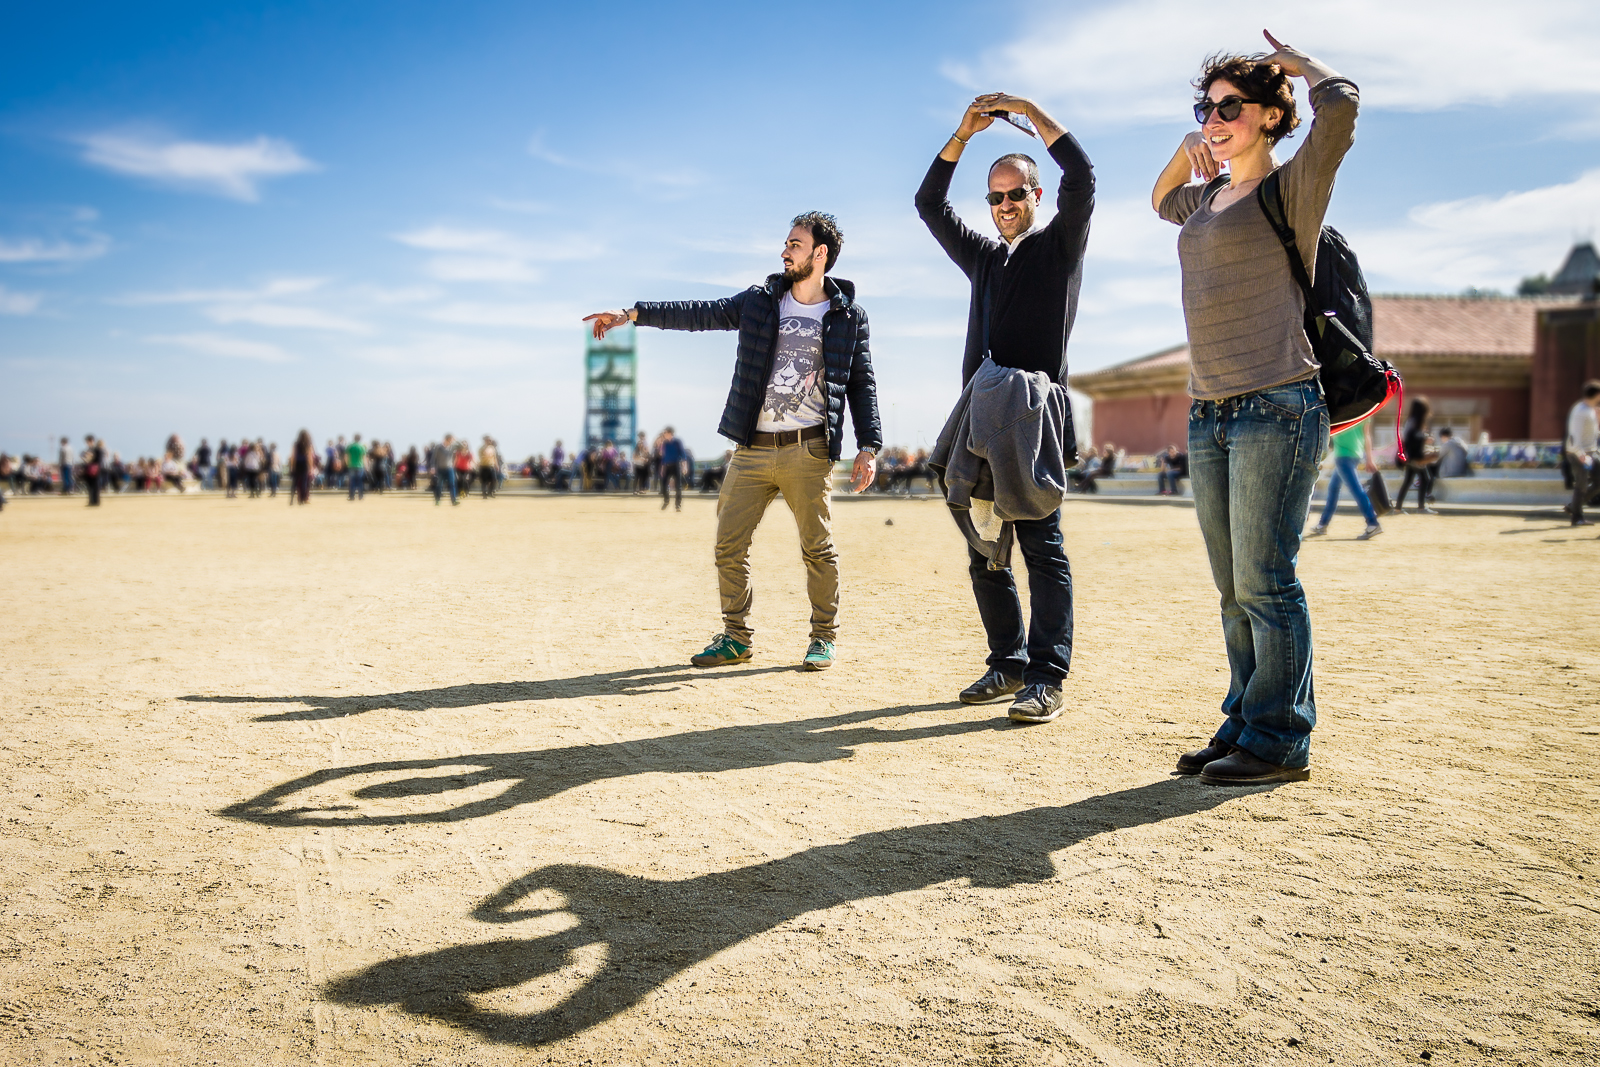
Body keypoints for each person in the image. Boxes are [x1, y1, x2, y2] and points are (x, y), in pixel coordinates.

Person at [1152, 31, 1356, 784]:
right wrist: (1188, 145)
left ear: (1272, 115)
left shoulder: (1289, 189)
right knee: (1233, 587)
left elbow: (1342, 110)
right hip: (1208, 409)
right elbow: (1159, 198)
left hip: (1278, 401)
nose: (1215, 117)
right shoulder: (1205, 199)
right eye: (1206, 107)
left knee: (1267, 580)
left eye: (1230, 107)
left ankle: (1279, 738)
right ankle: (1244, 716)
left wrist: (1303, 66)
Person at [585, 210, 881, 671]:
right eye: (786, 243)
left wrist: (869, 446)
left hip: (808, 450)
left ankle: (823, 637)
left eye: (795, 244)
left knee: (817, 548)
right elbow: (699, 314)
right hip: (752, 448)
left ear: (820, 254)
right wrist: (632, 314)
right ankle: (736, 638)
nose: (785, 251)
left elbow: (862, 383)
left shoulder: (847, 315)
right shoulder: (760, 302)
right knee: (728, 545)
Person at [916, 90, 1093, 724]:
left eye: (1015, 194)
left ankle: (1047, 676)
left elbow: (1083, 174)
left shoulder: (1059, 248)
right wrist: (962, 133)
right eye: (994, 197)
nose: (1004, 206)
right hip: (980, 420)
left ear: (1036, 197)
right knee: (984, 545)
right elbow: (928, 203)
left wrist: (1031, 111)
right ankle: (1007, 661)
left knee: (1043, 547)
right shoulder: (985, 259)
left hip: (1036, 419)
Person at [1306, 422, 1381, 539]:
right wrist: (1369, 459)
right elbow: (1367, 435)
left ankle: (1372, 523)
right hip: (1355, 454)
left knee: (1356, 489)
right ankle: (1322, 524)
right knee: (1333, 488)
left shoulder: (1342, 407)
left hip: (1343, 456)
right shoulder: (1365, 409)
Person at [1565, 380, 1600, 527]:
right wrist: (1581, 455)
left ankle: (1574, 506)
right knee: (1581, 485)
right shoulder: (1580, 411)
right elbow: (1574, 437)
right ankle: (1577, 517)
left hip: (1591, 452)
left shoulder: (1590, 409)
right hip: (1578, 453)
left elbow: (1592, 432)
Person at [1395, 397, 1436, 515]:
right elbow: (1413, 439)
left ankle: (1398, 508)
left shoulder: (1411, 420)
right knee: (1425, 479)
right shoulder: (1414, 422)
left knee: (1408, 481)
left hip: (1411, 457)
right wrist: (1425, 439)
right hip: (1415, 457)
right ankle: (1421, 508)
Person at [656, 427, 687, 511]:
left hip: (676, 465)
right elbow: (663, 456)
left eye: (665, 433)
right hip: (666, 465)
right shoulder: (665, 443)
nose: (664, 434)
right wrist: (662, 468)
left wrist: (684, 466)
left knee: (678, 486)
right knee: (663, 485)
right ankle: (666, 501)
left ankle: (678, 505)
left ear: (670, 433)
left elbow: (683, 454)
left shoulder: (677, 442)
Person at [431, 435, 458, 505]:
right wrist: (432, 467)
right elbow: (434, 458)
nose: (451, 442)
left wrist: (456, 440)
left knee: (452, 484)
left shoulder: (452, 447)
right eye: (450, 440)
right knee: (439, 484)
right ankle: (437, 500)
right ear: (446, 439)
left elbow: (462, 447)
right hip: (440, 469)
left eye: (451, 441)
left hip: (449, 468)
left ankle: (454, 500)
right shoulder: (438, 447)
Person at [290, 430, 315, 505]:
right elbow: (309, 457)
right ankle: (302, 499)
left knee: (295, 482)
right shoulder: (308, 444)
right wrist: (311, 467)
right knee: (304, 482)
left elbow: (293, 456)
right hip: (304, 464)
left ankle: (292, 499)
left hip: (297, 464)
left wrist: (292, 466)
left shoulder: (296, 444)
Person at [83, 435, 104, 507]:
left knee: (95, 486)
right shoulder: (90, 449)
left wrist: (89, 457)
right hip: (90, 469)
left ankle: (95, 501)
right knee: (91, 486)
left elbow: (98, 461)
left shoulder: (97, 449)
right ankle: (92, 501)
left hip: (95, 470)